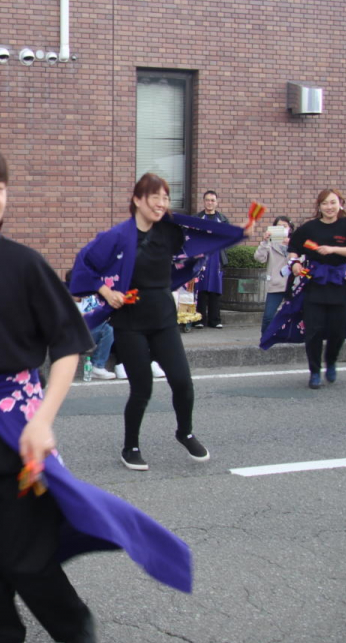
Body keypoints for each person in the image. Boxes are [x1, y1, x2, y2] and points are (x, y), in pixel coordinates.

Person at [0, 146, 194, 643]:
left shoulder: (24, 266)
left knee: (22, 555)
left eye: (1, 186)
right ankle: (3, 638)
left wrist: (43, 418)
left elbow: (68, 347)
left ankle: (75, 627)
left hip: (18, 428)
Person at [71, 174, 249, 471]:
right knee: (141, 389)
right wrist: (105, 291)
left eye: (165, 198)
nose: (162, 203)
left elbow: (204, 238)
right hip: (130, 321)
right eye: (155, 197)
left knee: (183, 382)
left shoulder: (170, 231)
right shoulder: (115, 236)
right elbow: (83, 264)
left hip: (164, 318)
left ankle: (185, 432)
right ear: (138, 200)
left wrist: (236, 232)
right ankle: (130, 447)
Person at [262, 189, 346, 389]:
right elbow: (294, 249)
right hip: (314, 284)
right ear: (319, 206)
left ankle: (331, 361)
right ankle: (314, 371)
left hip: (339, 284)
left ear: (340, 203)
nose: (329, 207)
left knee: (337, 330)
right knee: (312, 331)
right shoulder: (309, 228)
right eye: (325, 204)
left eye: (333, 203)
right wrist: (295, 263)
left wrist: (333, 249)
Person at [64, 268, 116, 379]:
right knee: (106, 329)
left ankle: (99, 366)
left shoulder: (90, 298)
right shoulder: (63, 301)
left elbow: (99, 315)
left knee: (109, 327)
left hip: (88, 336)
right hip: (72, 339)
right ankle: (97, 366)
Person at [193, 190, 229, 329]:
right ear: (204, 201)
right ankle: (199, 320)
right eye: (207, 200)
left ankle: (215, 320)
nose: (210, 202)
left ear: (216, 202)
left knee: (215, 288)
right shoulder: (197, 218)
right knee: (200, 288)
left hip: (217, 258)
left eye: (212, 200)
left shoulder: (223, 219)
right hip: (201, 257)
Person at [255, 215, 294, 334]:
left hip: (293, 284)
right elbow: (259, 258)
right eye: (278, 227)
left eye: (285, 226)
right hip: (276, 283)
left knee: (294, 314)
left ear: (290, 229)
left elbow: (303, 260)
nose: (282, 229)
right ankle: (266, 338)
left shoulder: (296, 243)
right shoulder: (270, 245)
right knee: (268, 316)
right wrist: (264, 241)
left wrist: (292, 245)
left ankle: (291, 337)